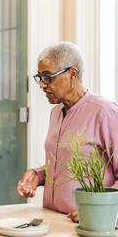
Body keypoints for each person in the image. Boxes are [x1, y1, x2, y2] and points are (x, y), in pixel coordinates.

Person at [16, 41, 118, 223]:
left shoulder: (105, 111)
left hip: (88, 225)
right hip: (50, 221)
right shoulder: (56, 112)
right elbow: (67, 165)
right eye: (39, 77)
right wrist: (38, 175)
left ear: (72, 74)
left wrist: (95, 210)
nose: (42, 85)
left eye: (48, 77)